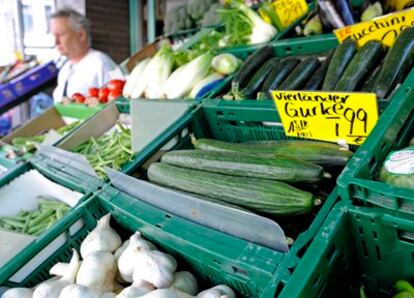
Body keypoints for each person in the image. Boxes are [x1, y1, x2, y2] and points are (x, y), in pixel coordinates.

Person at [51, 8, 124, 103]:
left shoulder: (102, 62)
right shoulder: (64, 70)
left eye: (61, 34)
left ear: (81, 35)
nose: (56, 42)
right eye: (54, 35)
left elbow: (122, 97)